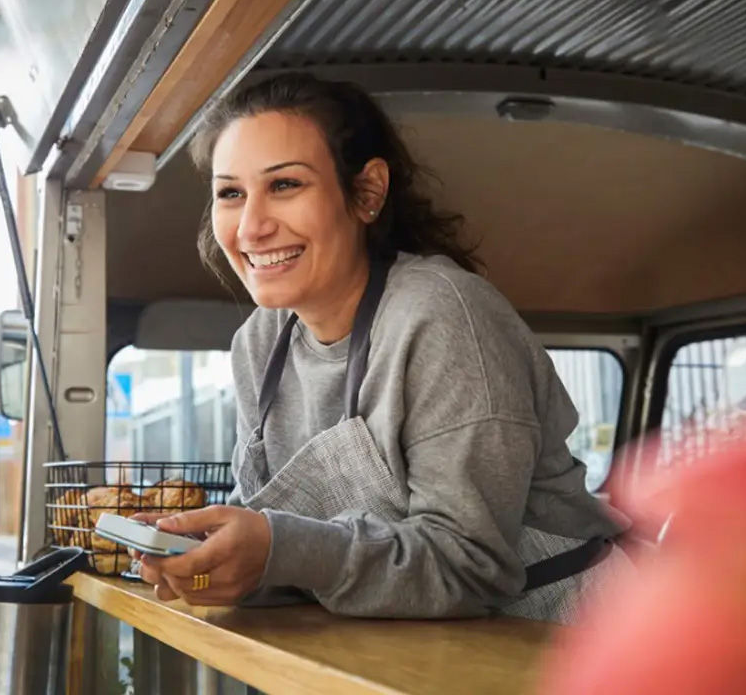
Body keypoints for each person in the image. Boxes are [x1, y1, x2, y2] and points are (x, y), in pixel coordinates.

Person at [134, 72, 630, 622]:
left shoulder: (440, 317)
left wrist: (283, 551)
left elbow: (474, 566)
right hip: (407, 642)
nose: (250, 228)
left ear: (366, 192)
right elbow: (273, 534)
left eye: (284, 185)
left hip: (566, 633)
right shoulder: (258, 343)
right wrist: (210, 559)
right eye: (231, 193)